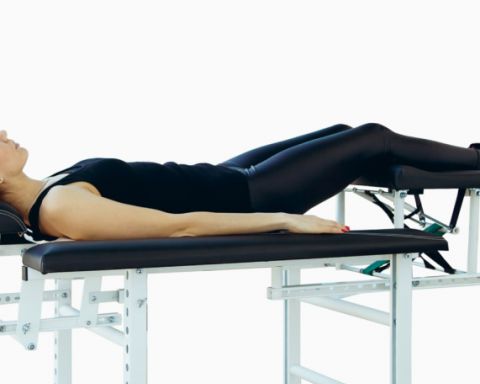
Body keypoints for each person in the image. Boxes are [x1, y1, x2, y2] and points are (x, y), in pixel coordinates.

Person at [0, 123, 479, 242]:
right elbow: (179, 227)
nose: (3, 134)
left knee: (345, 133)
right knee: (372, 138)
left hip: (225, 175)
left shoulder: (51, 187)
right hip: (252, 195)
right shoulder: (59, 208)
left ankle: (448, 165)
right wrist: (284, 219)